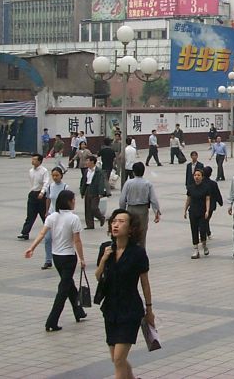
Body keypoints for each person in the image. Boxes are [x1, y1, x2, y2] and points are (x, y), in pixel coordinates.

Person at [95, 209, 155, 379]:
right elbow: (98, 276)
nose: (116, 224)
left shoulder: (137, 253)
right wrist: (103, 260)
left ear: (130, 229)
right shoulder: (105, 248)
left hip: (130, 310)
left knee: (119, 358)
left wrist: (149, 310)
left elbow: (145, 282)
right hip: (110, 309)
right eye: (114, 221)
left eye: (121, 222)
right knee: (116, 358)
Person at [24, 189, 86, 331]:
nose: (74, 202)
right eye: (73, 200)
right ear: (69, 202)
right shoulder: (73, 218)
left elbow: (42, 233)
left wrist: (32, 247)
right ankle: (52, 321)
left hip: (56, 257)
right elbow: (77, 241)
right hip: (69, 257)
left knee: (68, 284)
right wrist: (82, 259)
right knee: (63, 289)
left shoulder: (52, 217)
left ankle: (79, 311)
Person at [118, 162, 161, 248]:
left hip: (130, 209)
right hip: (143, 210)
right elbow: (153, 199)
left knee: (130, 231)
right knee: (142, 232)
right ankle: (141, 252)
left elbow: (122, 199)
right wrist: (157, 212)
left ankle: (130, 251)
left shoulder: (128, 183)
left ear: (133, 172)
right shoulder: (147, 183)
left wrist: (122, 211)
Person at [19, 154, 49, 240]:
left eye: (35, 160)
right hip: (33, 194)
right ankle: (25, 233)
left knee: (43, 215)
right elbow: (32, 183)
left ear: (40, 161)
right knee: (30, 215)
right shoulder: (31, 171)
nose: (32, 161)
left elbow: (46, 183)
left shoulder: (44, 171)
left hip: (41, 195)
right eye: (32, 159)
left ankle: (50, 231)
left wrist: (42, 192)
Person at [184, 169, 211, 259]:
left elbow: (207, 199)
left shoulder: (206, 187)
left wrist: (207, 210)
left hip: (202, 212)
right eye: (195, 175)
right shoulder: (190, 187)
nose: (197, 177)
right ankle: (196, 249)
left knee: (203, 230)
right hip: (193, 211)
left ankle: (204, 245)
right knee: (194, 229)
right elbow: (188, 199)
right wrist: (185, 210)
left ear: (202, 177)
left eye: (199, 175)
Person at [81, 155, 107, 229]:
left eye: (88, 161)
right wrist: (82, 192)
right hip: (88, 189)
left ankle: (101, 217)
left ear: (92, 162)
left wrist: (101, 192)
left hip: (95, 190)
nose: (86, 162)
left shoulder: (99, 171)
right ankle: (90, 225)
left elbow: (101, 182)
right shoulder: (86, 171)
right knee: (87, 208)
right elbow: (83, 181)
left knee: (94, 207)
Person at [202, 166, 224, 237]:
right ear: (210, 174)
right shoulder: (213, 183)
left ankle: (206, 231)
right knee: (206, 219)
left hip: (201, 204)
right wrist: (220, 202)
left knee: (204, 219)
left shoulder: (200, 182)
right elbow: (217, 193)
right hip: (211, 205)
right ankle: (207, 232)